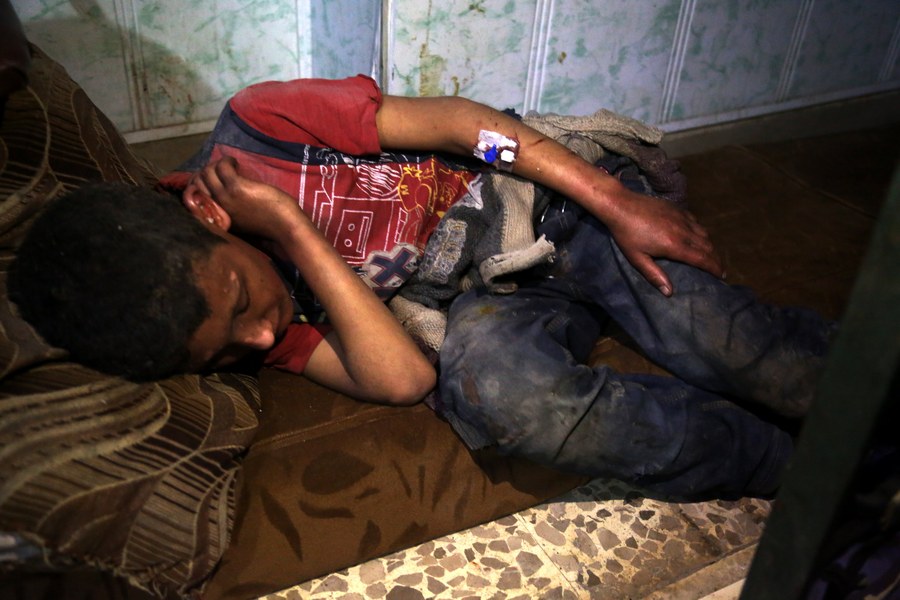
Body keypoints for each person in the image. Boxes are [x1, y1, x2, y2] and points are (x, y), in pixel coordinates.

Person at [9, 75, 833, 499]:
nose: (254, 337)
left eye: (237, 305)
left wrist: (614, 200)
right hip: (479, 298)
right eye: (228, 348)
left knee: (740, 347)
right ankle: (801, 472)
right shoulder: (248, 319)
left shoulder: (262, 124)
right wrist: (296, 234)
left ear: (202, 211)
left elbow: (462, 124)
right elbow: (404, 378)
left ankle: (857, 402)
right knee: (511, 402)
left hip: (535, 205)